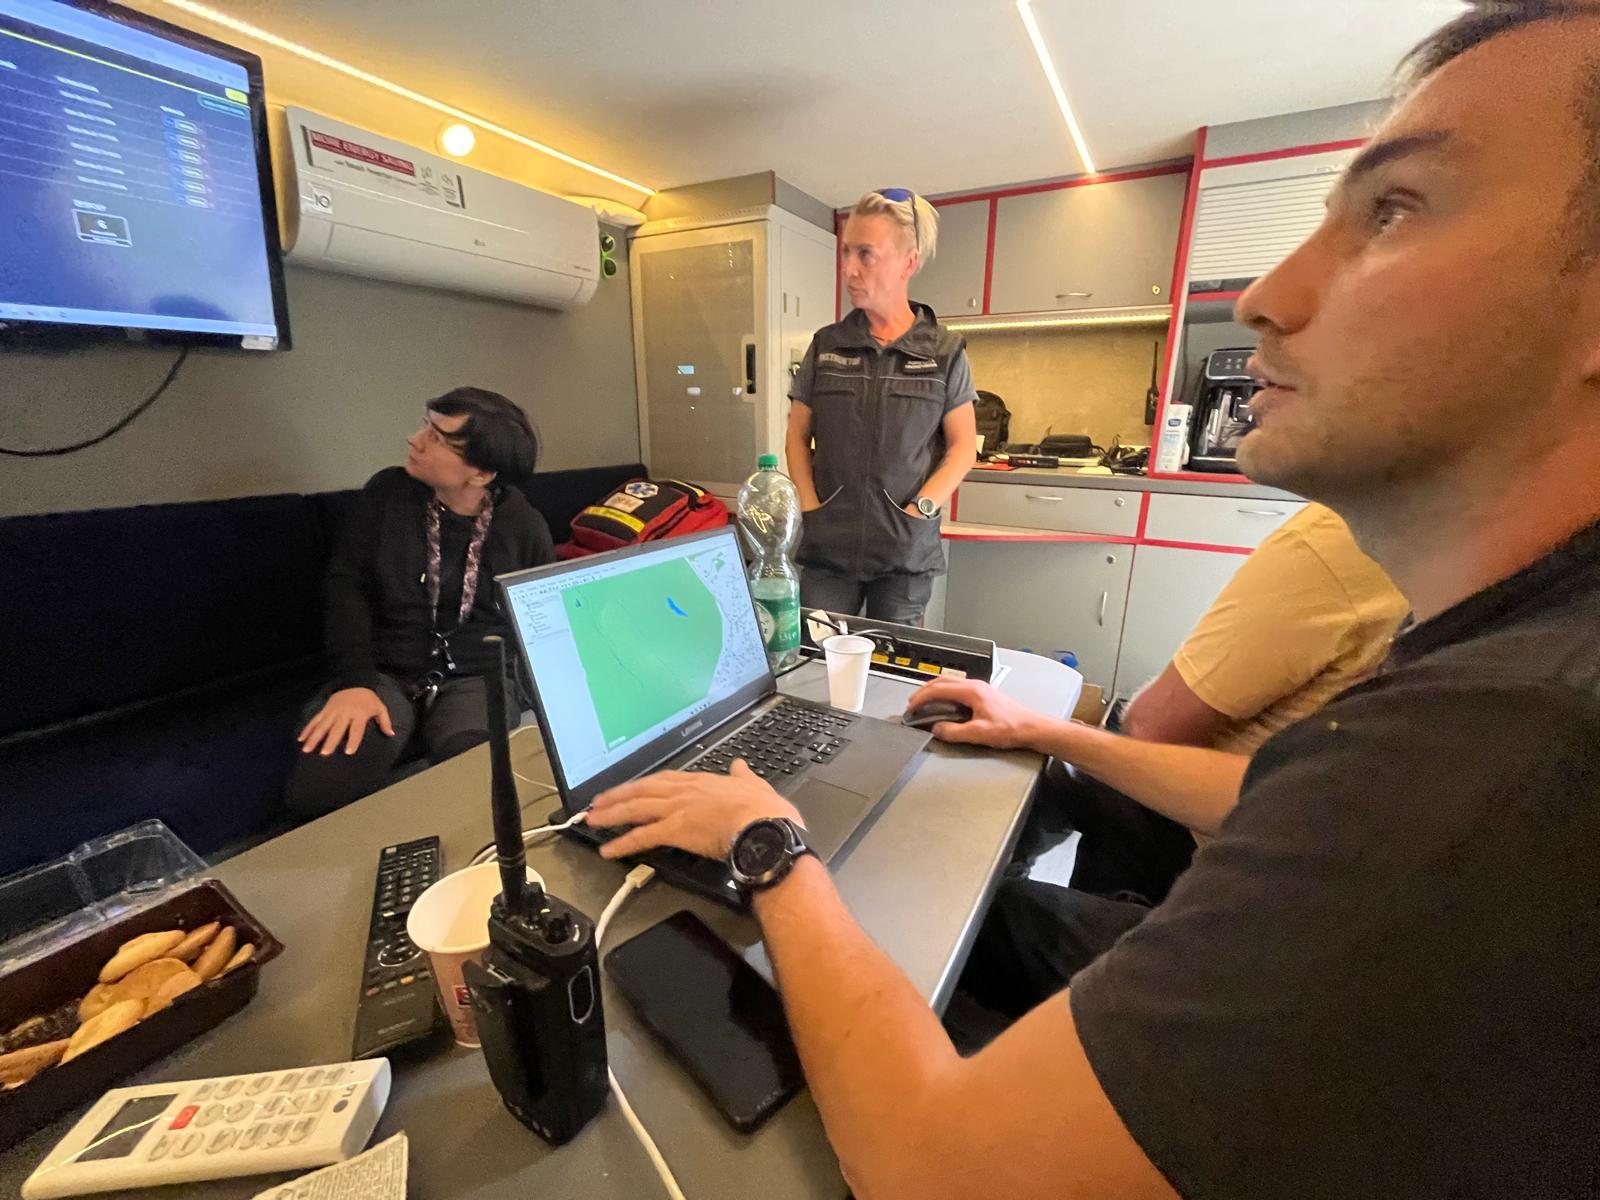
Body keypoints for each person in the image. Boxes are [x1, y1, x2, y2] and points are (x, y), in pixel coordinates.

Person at [582, 7, 1600, 1197]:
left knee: (891, 911)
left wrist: (768, 842)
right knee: (950, 872)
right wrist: (1051, 730)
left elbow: (932, 1167)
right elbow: (1273, 792)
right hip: (859, 566)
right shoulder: (1488, 667)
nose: (1264, 295)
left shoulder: (1515, 750)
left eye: (1394, 209)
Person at [1006, 501, 1409, 963]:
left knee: (980, 918)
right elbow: (1272, 790)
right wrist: (1047, 734)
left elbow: (1152, 726)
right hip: (1272, 844)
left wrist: (1045, 732)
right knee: (1062, 780)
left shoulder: (1342, 535)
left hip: (1239, 893)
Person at [285, 387, 554, 818]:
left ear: (481, 474)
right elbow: (345, 586)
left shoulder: (523, 525)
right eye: (426, 425)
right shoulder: (388, 494)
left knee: (477, 785)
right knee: (323, 786)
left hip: (474, 674)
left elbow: (540, 621)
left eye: (438, 437)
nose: (415, 440)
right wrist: (354, 682)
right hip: (385, 671)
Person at [786, 189, 980, 625]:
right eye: (846, 252)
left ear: (909, 263)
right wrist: (810, 506)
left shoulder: (945, 352)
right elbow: (797, 436)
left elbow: (963, 447)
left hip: (904, 554)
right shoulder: (827, 346)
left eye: (865, 254)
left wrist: (921, 509)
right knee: (815, 654)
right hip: (828, 550)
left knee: (893, 662)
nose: (848, 268)